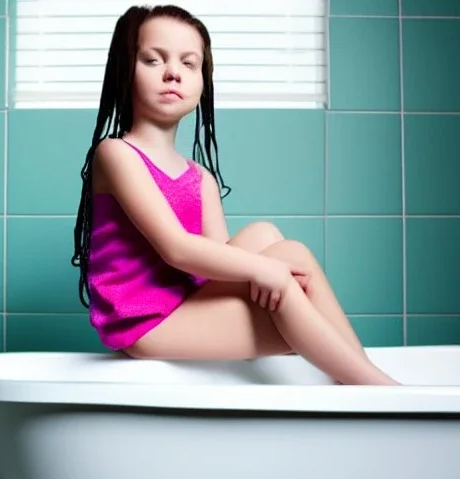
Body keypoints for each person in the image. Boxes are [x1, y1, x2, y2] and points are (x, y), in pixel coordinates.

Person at [71, 4, 400, 386]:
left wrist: (270, 269)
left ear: (203, 82)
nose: (173, 72)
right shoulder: (116, 154)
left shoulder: (201, 178)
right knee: (288, 289)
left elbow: (212, 267)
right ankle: (373, 385)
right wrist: (265, 270)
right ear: (125, 70)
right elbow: (176, 249)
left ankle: (364, 377)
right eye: (152, 59)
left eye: (189, 64)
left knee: (273, 240)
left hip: (186, 302)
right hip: (146, 324)